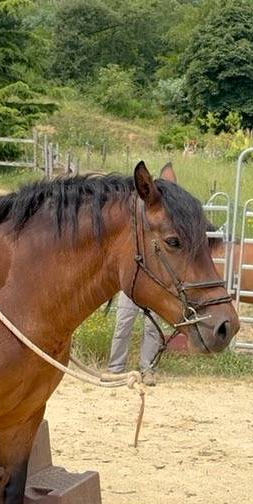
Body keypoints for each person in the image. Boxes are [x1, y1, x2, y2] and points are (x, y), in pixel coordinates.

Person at [105, 164, 181, 385]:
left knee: (152, 327)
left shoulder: (168, 214)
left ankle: (148, 368)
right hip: (136, 274)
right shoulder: (139, 210)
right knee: (124, 323)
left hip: (155, 279)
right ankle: (115, 367)